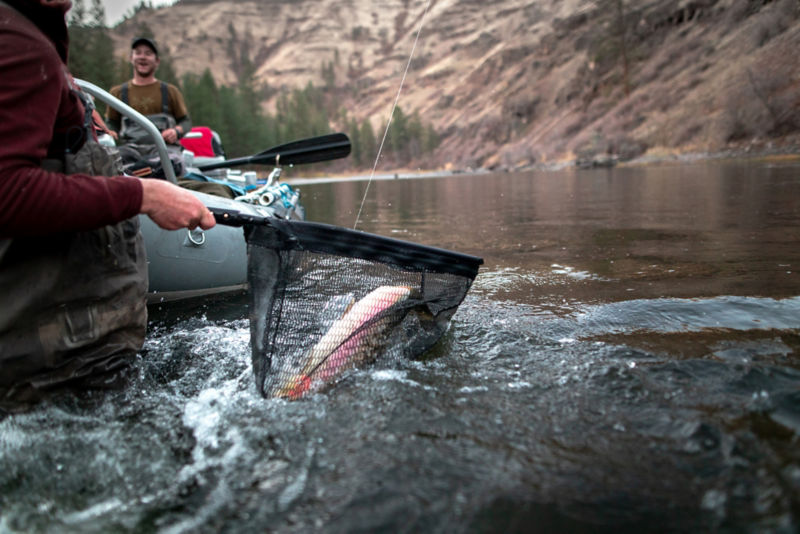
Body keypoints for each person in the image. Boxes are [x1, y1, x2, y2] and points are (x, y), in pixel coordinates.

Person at [0, 0, 216, 412]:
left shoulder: (29, 38)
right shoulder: (17, 43)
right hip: (52, 366)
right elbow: (7, 190)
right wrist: (144, 196)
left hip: (62, 358)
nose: (142, 57)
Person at [105, 36, 191, 171]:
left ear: (157, 61)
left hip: (164, 149)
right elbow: (111, 123)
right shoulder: (117, 92)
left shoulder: (170, 91)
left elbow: (185, 122)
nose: (142, 57)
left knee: (172, 165)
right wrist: (110, 133)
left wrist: (176, 131)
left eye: (148, 53)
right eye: (138, 52)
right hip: (130, 150)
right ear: (131, 58)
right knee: (110, 165)